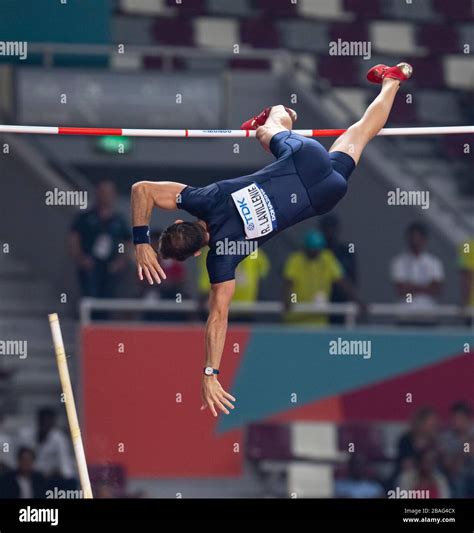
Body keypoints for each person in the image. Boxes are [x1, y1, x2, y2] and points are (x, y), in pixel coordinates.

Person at [131, 63, 413, 417]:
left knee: (360, 133)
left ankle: (392, 82)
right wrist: (140, 241)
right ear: (177, 219)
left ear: (195, 254)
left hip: (324, 195)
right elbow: (142, 189)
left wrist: (210, 374)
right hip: (301, 159)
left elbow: (217, 317)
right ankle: (277, 116)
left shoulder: (221, 258)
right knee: (271, 127)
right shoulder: (202, 198)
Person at [283, 230, 361, 325]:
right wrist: (287, 299)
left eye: (317, 250)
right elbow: (289, 282)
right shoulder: (295, 260)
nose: (314, 254)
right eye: (311, 250)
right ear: (305, 249)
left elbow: (341, 281)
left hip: (319, 322)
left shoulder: (327, 258)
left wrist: (357, 300)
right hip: (295, 321)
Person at [70, 179, 131, 298]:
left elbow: (127, 241)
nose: (105, 196)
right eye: (102, 192)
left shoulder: (119, 220)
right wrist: (80, 258)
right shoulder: (85, 218)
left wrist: (121, 260)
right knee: (89, 294)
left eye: (108, 193)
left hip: (110, 266)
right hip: (91, 264)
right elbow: (74, 237)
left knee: (108, 295)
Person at [197, 247, 270, 322]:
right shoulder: (252, 248)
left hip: (229, 307)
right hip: (241, 308)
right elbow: (263, 271)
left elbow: (207, 277)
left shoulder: (213, 248)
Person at [390, 222, 444, 312]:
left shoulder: (434, 262)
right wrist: (426, 287)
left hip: (428, 312)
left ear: (424, 239)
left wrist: (410, 286)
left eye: (418, 238)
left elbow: (436, 289)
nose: (415, 242)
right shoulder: (398, 262)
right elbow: (401, 290)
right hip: (405, 313)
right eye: (412, 238)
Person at [18, 407, 75, 483]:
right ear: (38, 421)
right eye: (43, 421)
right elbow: (18, 461)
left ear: (53, 423)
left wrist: (65, 476)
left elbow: (65, 463)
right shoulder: (25, 435)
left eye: (48, 422)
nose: (45, 425)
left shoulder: (60, 439)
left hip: (50, 479)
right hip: (28, 477)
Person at [319, 214, 358, 324]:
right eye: (326, 228)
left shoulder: (346, 252)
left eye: (332, 228)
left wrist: (353, 298)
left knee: (339, 337)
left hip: (342, 302)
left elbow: (351, 278)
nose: (329, 232)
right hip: (320, 303)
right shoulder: (316, 253)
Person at [440, 401, 474, 497]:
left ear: (468, 419)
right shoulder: (445, 438)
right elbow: (450, 469)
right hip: (456, 478)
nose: (455, 421)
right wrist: (464, 450)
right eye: (453, 418)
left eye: (460, 418)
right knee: (459, 481)